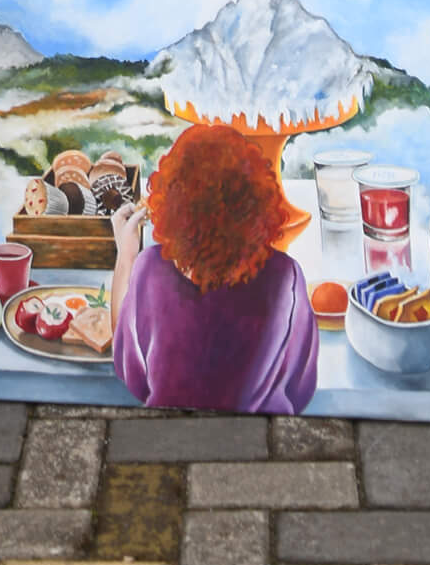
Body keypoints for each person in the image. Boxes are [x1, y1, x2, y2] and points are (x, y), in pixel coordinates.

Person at [108, 123, 318, 415]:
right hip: (260, 433)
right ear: (257, 199)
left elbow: (130, 374)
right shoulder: (286, 275)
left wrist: (126, 255)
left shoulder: (149, 268)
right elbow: (301, 387)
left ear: (172, 202)